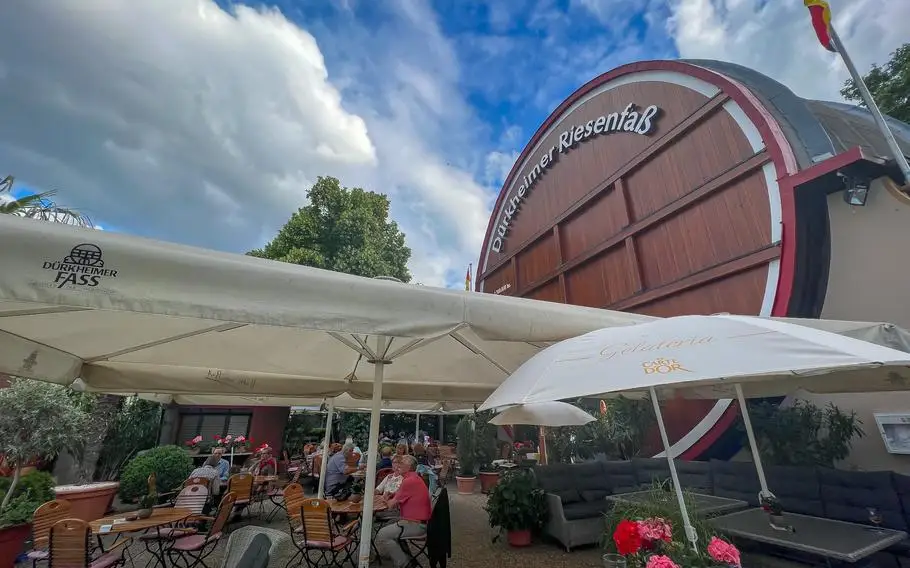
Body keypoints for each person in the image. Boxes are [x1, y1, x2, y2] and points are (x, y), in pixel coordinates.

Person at [375, 455, 432, 568]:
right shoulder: (413, 478)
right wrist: (392, 495)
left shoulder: (408, 481)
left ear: (409, 466)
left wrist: (386, 498)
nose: (399, 464)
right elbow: (403, 496)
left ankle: (404, 564)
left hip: (416, 524)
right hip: (417, 521)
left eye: (402, 462)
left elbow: (391, 505)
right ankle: (407, 557)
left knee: (382, 534)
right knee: (388, 524)